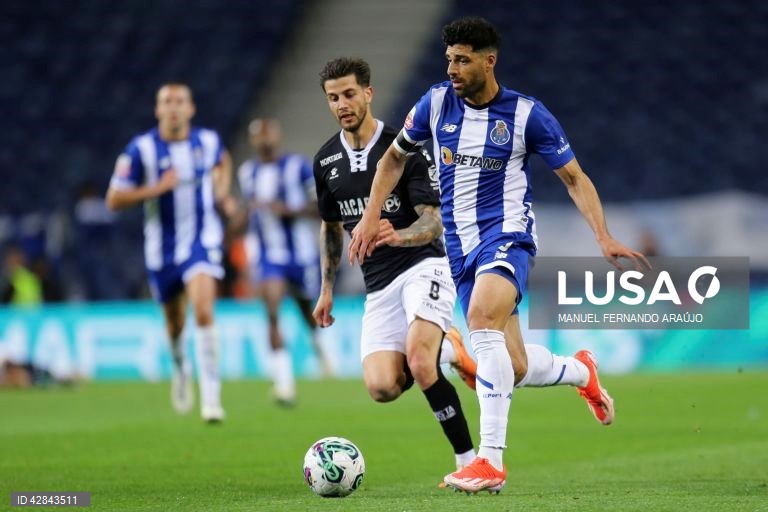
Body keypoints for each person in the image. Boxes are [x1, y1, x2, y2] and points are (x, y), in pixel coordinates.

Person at [349, 17, 651, 493]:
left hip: (507, 236)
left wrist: (603, 236)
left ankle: (489, 462)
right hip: (461, 248)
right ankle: (581, 371)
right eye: (448, 58)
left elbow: (574, 178)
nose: (452, 68)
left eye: (462, 60)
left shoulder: (527, 115)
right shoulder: (434, 104)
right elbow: (393, 158)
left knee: (482, 321)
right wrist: (369, 216)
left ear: (489, 61)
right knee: (513, 366)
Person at [313, 57, 479, 476]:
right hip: (378, 283)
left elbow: (433, 222)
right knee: (382, 387)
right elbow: (332, 227)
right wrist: (327, 288)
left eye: (349, 94)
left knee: (421, 365)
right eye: (333, 98)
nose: (342, 104)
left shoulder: (402, 148)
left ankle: (468, 461)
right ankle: (448, 347)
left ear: (368, 93)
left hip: (423, 266)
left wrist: (396, 235)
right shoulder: (325, 161)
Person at [106, 82, 234, 423]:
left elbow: (223, 161)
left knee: (204, 311)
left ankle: (211, 398)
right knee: (175, 325)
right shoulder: (141, 149)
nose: (174, 107)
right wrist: (156, 188)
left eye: (180, 101)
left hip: (201, 241)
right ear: (157, 110)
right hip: (161, 250)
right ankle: (180, 369)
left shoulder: (206, 141)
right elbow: (114, 199)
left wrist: (221, 192)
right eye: (167, 102)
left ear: (191, 109)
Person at [236, 118, 332, 406]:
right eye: (258, 136)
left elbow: (321, 208)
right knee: (273, 311)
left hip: (301, 254)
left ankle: (320, 349)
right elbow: (245, 212)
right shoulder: (247, 172)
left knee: (307, 309)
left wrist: (287, 210)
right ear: (254, 141)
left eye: (268, 134)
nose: (264, 140)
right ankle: (284, 383)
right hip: (268, 256)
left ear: (277, 137)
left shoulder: (298, 167)